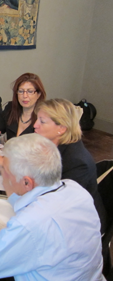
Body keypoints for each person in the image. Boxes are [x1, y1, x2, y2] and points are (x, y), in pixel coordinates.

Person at [0, 133, 104, 280]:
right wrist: (3, 166)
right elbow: (29, 200)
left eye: (6, 171)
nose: (3, 177)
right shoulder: (75, 189)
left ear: (27, 182)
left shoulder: (30, 223)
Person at [34, 98, 106, 234]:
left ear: (61, 128)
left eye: (42, 121)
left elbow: (60, 205)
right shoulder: (50, 146)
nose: (35, 125)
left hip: (81, 227)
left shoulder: (77, 162)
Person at [0, 72, 46, 142]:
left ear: (38, 94)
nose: (25, 96)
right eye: (21, 91)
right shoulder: (11, 108)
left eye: (30, 91)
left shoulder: (45, 116)